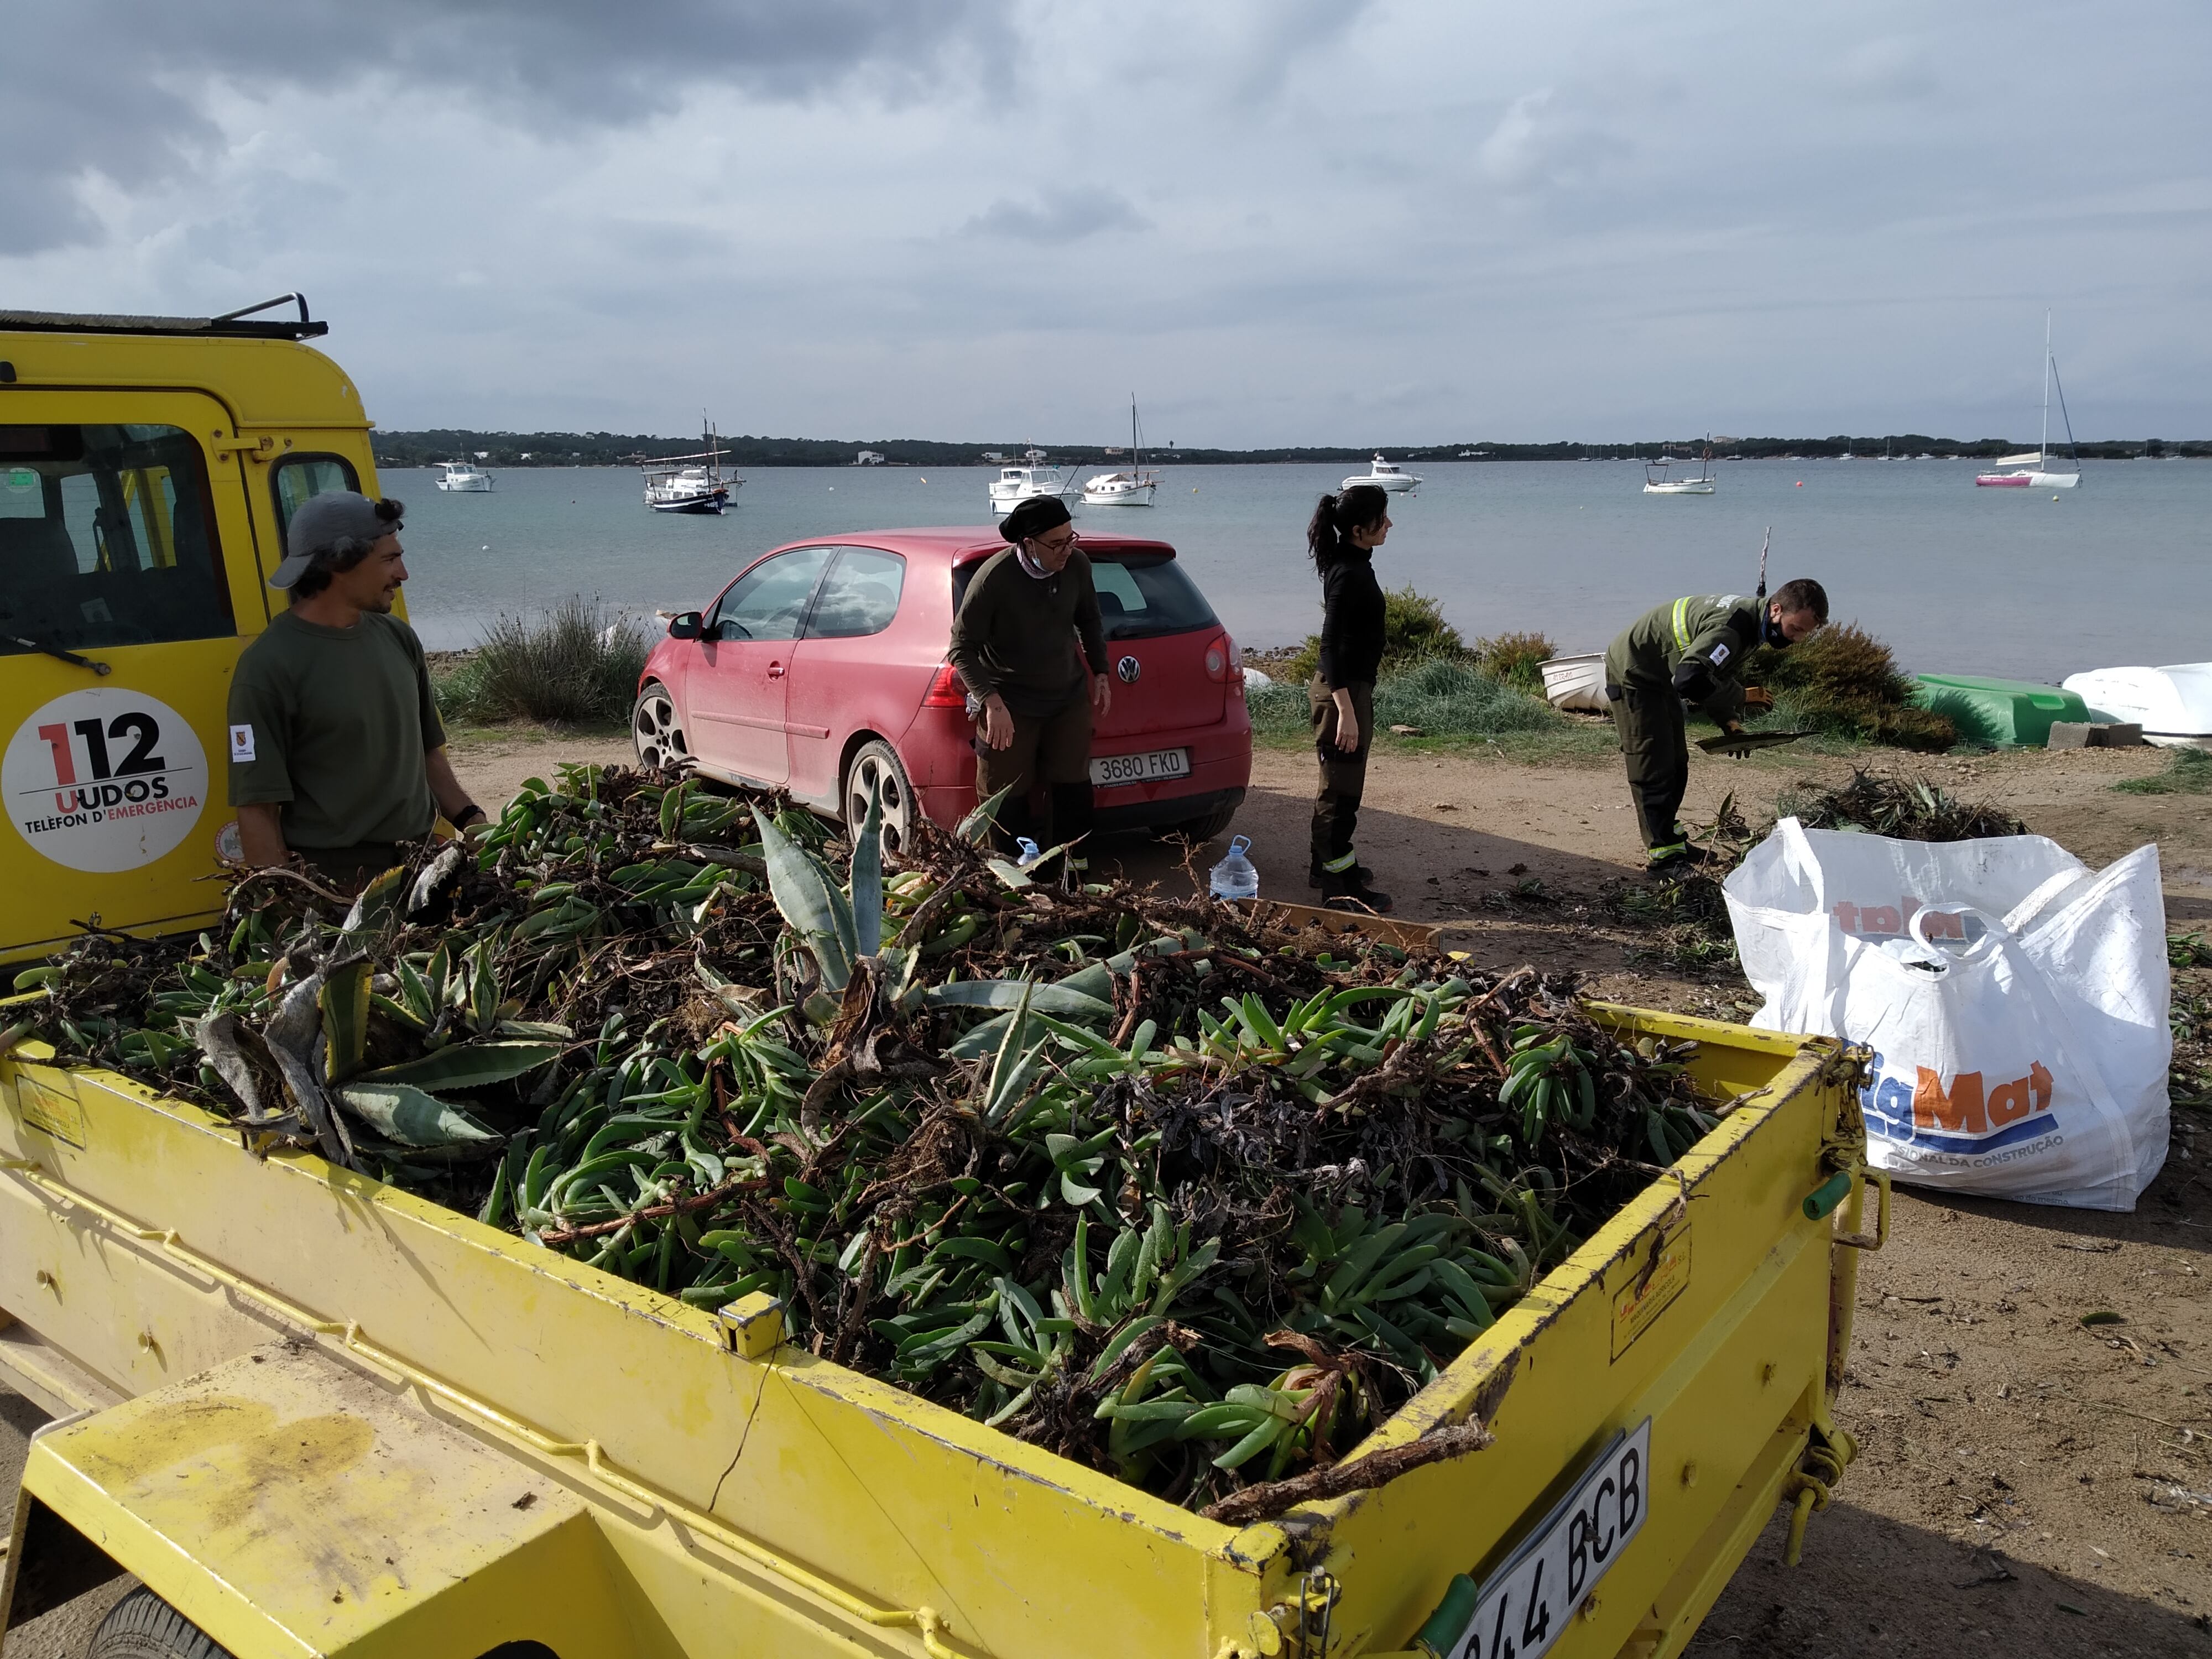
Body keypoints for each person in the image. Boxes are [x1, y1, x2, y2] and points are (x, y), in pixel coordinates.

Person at [226, 490, 487, 888]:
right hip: (339, 885)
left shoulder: (398, 638)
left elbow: (426, 752)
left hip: (424, 868)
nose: (403, 574)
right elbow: (257, 809)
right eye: (389, 559)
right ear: (338, 563)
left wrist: (473, 821)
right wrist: (287, 905)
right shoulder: (268, 667)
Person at [1603, 579, 1828, 874]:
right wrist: (1741, 696)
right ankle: (1664, 857)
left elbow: (1712, 674)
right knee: (1652, 766)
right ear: (1776, 610)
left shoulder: (1753, 626)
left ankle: (1673, 842)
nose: (1798, 639)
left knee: (1676, 763)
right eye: (1796, 629)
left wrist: (1729, 722)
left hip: (1658, 678)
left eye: (1805, 634)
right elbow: (1690, 679)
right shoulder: (1733, 628)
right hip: (1633, 675)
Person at [946, 494, 1110, 873]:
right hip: (1011, 703)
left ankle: (1072, 876)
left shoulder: (1078, 566)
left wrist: (1100, 671)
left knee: (1073, 789)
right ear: (1028, 544)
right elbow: (961, 648)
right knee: (1006, 797)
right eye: (1056, 544)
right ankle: (1011, 877)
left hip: (1066, 696)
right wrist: (991, 701)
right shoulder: (995, 578)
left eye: (1071, 539)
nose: (1066, 550)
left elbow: (1089, 620)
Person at [1306, 484, 1394, 913]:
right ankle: (1339, 890)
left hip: (1350, 690)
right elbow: (1329, 647)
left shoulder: (1354, 560)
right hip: (1342, 693)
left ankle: (1326, 867)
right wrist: (1346, 712)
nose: (1390, 525)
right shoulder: (1348, 572)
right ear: (1360, 529)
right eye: (1383, 519)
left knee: (1338, 788)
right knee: (1341, 795)